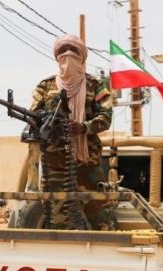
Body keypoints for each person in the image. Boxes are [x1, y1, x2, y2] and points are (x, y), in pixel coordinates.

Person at [26, 34, 116, 230]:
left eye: (73, 51)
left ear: (82, 57)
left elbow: (105, 117)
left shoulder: (95, 85)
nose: (67, 55)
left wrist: (83, 127)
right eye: (62, 51)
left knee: (102, 216)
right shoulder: (45, 86)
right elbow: (33, 116)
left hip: (87, 162)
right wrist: (43, 123)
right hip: (55, 163)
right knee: (56, 218)